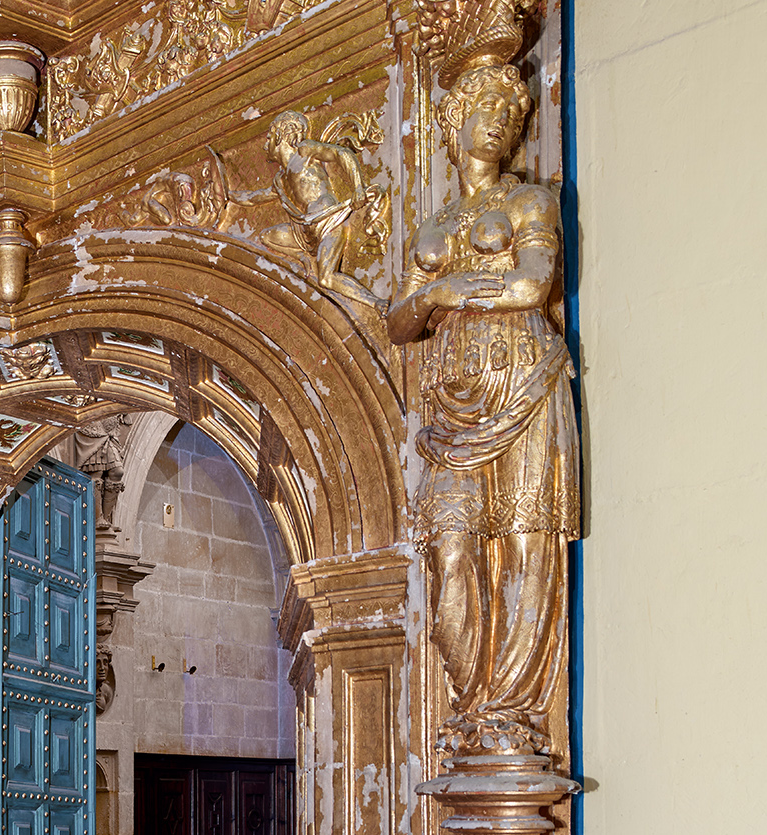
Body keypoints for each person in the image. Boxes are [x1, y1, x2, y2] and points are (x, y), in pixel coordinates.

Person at [385, 63, 577, 756]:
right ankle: (473, 706)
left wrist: (452, 288)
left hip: (524, 379)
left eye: (510, 109)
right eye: (484, 105)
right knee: (451, 560)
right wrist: (437, 295)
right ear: (454, 122)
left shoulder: (529, 202)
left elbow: (535, 283)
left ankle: (511, 718)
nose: (498, 118)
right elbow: (398, 319)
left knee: (527, 545)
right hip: (453, 408)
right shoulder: (435, 224)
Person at [232, 111, 383, 308]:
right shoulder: (280, 180)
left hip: (327, 220)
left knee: (326, 279)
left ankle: (376, 303)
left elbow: (341, 153)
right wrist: (227, 195)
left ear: (281, 135)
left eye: (269, 138)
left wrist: (358, 188)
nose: (264, 145)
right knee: (267, 236)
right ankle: (304, 257)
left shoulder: (304, 151)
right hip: (304, 231)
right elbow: (254, 199)